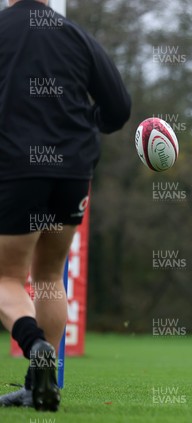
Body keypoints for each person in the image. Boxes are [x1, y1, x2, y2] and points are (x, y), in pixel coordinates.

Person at [0, 0, 131, 411]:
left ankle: (34, 345)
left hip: (18, 167)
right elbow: (119, 108)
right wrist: (83, 128)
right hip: (73, 170)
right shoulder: (77, 36)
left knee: (5, 277)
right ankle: (42, 383)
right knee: (48, 275)